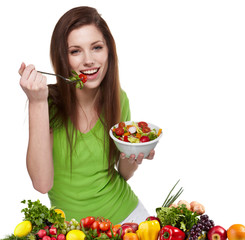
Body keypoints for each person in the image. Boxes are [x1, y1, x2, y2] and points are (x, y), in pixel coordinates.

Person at [18, 6, 155, 224]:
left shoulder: (119, 98)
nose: (89, 60)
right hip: (75, 231)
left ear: (108, 50)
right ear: (62, 58)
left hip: (129, 217)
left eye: (96, 47)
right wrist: (36, 102)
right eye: (75, 51)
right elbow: (42, 183)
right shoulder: (47, 103)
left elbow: (125, 174)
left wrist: (133, 155)